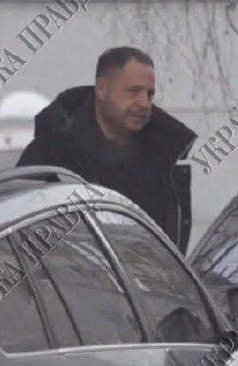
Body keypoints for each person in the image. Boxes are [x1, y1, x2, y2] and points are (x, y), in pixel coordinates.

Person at [17, 47, 197, 253]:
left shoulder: (164, 154)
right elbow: (18, 231)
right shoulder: (52, 152)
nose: (144, 103)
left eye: (149, 94)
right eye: (134, 91)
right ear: (102, 89)